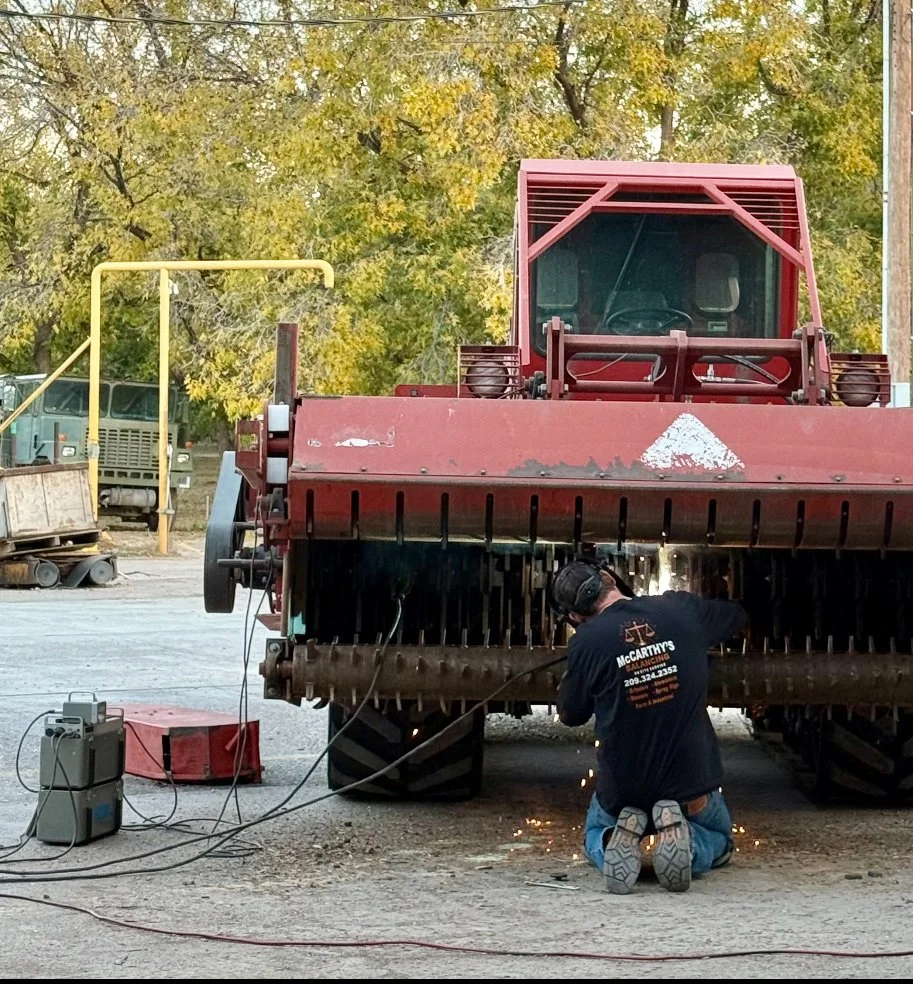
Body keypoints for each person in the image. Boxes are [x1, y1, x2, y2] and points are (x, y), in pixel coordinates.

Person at [550, 560, 747, 894]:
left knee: (593, 833)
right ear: (610, 578)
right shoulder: (679, 609)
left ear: (575, 617)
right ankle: (690, 845)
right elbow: (736, 617)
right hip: (690, 787)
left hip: (624, 792)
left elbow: (570, 714)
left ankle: (615, 838)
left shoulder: (585, 642)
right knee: (721, 838)